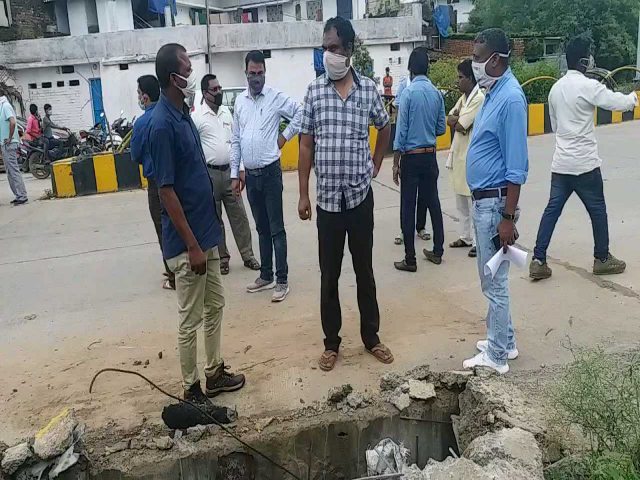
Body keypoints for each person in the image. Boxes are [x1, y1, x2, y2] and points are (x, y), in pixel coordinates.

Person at [148, 43, 245, 404]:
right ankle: (191, 389)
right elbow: (167, 191)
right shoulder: (161, 125)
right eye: (188, 69)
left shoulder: (183, 114)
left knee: (215, 304)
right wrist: (191, 246)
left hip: (206, 235)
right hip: (188, 244)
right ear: (174, 78)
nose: (193, 73)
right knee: (189, 318)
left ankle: (215, 372)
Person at [298, 16, 394, 372]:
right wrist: (303, 194)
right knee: (329, 275)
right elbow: (306, 146)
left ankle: (372, 337)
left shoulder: (368, 89)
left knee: (364, 269)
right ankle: (331, 343)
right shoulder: (314, 91)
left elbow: (384, 129)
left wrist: (375, 164)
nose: (329, 55)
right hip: (327, 203)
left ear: (349, 50)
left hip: (359, 198)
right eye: (325, 48)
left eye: (334, 48)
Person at [529, 34, 638, 280]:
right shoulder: (588, 86)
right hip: (586, 164)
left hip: (562, 163)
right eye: (589, 56)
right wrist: (633, 97)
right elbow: (615, 102)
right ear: (583, 61)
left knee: (551, 211)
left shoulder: (555, 89)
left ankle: (538, 260)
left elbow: (556, 127)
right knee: (597, 211)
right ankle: (602, 258)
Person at [463, 28, 528, 374]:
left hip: (495, 206)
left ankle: (497, 358)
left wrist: (507, 218)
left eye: (477, 57)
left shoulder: (511, 99)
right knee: (495, 279)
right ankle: (505, 340)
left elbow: (516, 168)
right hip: (486, 203)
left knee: (494, 283)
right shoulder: (494, 92)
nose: (473, 63)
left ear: (496, 59)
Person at [230, 50, 302, 303]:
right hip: (250, 175)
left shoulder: (275, 98)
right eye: (252, 73)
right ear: (246, 73)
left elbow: (301, 114)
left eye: (260, 73)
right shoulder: (239, 102)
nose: (256, 78)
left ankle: (281, 280)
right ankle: (266, 275)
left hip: (270, 173)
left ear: (265, 73)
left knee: (276, 228)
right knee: (260, 227)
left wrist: (284, 137)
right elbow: (236, 140)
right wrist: (235, 173)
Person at [192, 74, 260, 276]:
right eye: (215, 89)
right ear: (205, 93)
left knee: (239, 216)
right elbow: (195, 150)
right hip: (210, 176)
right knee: (215, 219)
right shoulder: (197, 118)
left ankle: (248, 256)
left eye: (220, 88)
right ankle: (223, 259)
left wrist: (239, 170)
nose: (219, 92)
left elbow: (235, 143)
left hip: (230, 173)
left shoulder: (227, 114)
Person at [392, 47, 446, 272]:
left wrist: (396, 162)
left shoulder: (408, 93)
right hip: (430, 155)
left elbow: (401, 131)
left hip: (411, 158)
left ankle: (410, 258)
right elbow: (441, 128)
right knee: (433, 203)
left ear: (410, 69)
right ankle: (438, 250)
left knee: (408, 205)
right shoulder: (436, 93)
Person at [130, 74, 176, 290]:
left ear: (145, 97)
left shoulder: (142, 124)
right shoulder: (171, 115)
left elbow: (136, 155)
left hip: (156, 183)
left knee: (163, 228)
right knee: (179, 224)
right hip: (177, 180)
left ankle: (174, 276)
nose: (139, 98)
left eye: (139, 94)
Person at [446, 59, 485, 258]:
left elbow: (461, 124)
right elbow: (450, 117)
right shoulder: (464, 98)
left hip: (471, 154)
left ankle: (479, 242)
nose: (458, 81)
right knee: (460, 199)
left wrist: (457, 118)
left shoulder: (479, 97)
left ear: (470, 78)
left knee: (473, 201)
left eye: (461, 77)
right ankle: (465, 236)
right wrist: (457, 118)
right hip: (459, 152)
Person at [0, 95, 28, 205]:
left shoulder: (5, 106)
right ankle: (18, 195)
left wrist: (10, 137)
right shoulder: (1, 107)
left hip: (9, 143)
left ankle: (22, 195)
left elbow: (12, 122)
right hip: (5, 143)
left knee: (13, 170)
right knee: (9, 171)